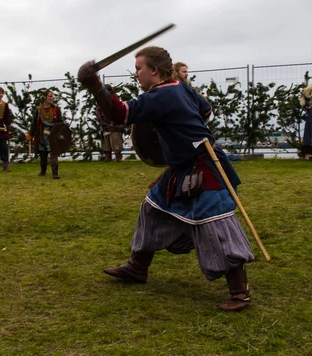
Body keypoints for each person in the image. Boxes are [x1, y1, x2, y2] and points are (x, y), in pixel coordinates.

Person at [77, 46, 255, 312]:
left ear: (154, 71)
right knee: (152, 208)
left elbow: (120, 114)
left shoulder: (163, 94)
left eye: (139, 68)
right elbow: (206, 113)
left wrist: (95, 86)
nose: (136, 74)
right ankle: (138, 268)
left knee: (215, 224)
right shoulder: (181, 87)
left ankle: (240, 293)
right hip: (181, 166)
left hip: (203, 166)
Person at [28, 90, 63, 179]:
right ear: (45, 97)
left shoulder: (55, 109)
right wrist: (30, 133)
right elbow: (34, 123)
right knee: (43, 154)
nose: (51, 98)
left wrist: (60, 133)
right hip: (41, 135)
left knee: (53, 153)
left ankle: (55, 173)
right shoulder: (39, 110)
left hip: (53, 134)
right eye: (50, 96)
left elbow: (60, 122)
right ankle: (43, 171)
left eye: (52, 96)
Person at [97, 84, 124, 162]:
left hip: (113, 123)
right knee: (106, 142)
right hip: (105, 124)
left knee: (115, 140)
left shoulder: (114, 98)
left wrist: (115, 121)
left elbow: (118, 109)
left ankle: (118, 157)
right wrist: (100, 120)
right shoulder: (100, 100)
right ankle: (108, 157)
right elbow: (98, 111)